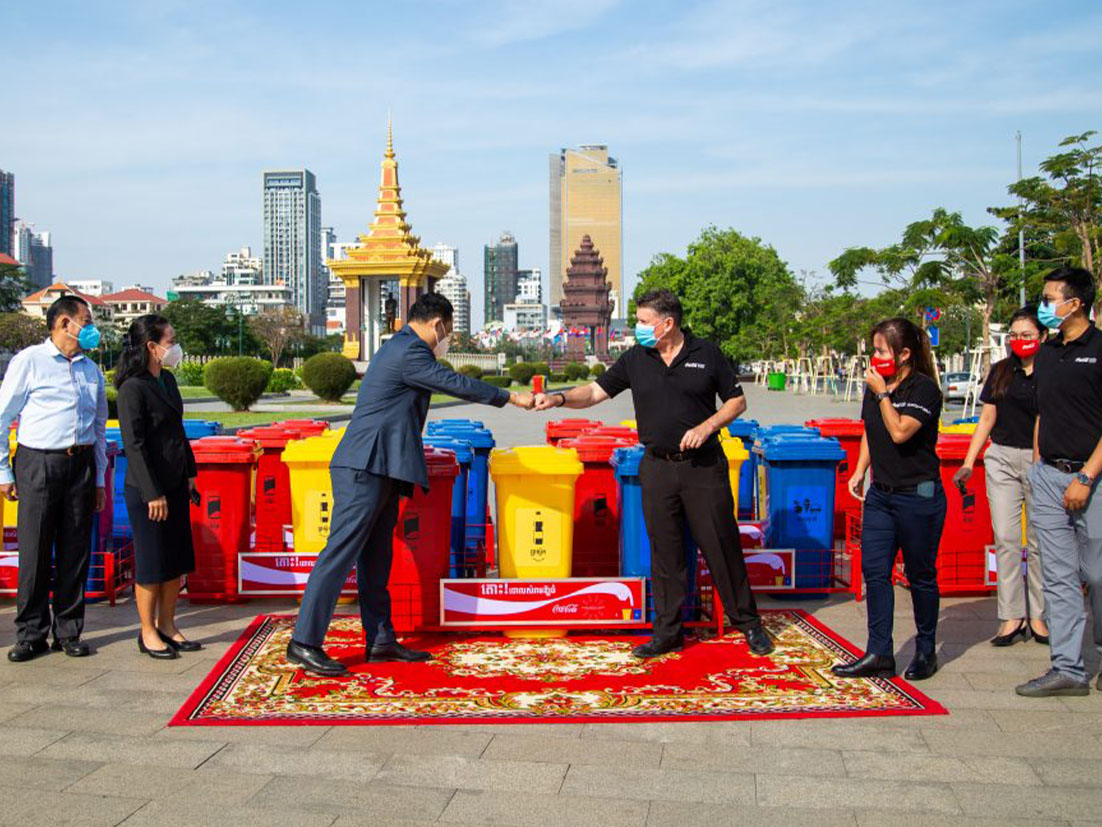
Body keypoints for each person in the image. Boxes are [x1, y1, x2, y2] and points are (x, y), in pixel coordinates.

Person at [287, 293, 535, 676]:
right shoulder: (410, 352)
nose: (447, 338)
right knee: (340, 553)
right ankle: (303, 642)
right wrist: (510, 396)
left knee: (376, 558)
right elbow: (453, 383)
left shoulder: (403, 348)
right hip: (363, 467)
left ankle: (380, 639)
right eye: (449, 331)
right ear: (438, 324)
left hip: (383, 467)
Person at [533, 289, 774, 659]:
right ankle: (668, 631)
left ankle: (749, 624)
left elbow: (737, 401)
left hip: (703, 468)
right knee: (666, 553)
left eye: (644, 322)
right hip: (657, 467)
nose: (638, 328)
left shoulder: (705, 354)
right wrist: (561, 398)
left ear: (668, 323)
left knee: (721, 546)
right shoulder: (636, 358)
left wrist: (707, 426)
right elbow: (596, 392)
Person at [833, 317, 946, 681]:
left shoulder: (923, 389)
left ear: (905, 353)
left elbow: (898, 431)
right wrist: (860, 470)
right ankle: (879, 651)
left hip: (919, 496)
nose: (875, 356)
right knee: (875, 572)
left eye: (881, 350)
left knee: (920, 575)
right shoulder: (876, 386)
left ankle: (926, 649)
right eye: (874, 350)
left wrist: (882, 393)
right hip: (881, 495)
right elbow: (872, 429)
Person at [0, 296, 107, 662]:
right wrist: (3, 471)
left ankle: (68, 630)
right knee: (35, 550)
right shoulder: (30, 362)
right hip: (39, 463)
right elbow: (2, 416)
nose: (91, 327)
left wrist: (99, 481)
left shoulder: (91, 370)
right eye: (86, 320)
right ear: (64, 323)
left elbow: (98, 426)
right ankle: (31, 633)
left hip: (80, 464)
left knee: (75, 550)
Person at [1017, 266, 1102, 698]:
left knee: (1098, 573)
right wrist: (1037, 467)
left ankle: (1100, 653)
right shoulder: (1048, 353)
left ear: (1076, 303)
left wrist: (1086, 476)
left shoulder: (1100, 349)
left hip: (1093, 477)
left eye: (1051, 298)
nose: (1044, 305)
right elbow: (1043, 413)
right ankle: (1067, 668)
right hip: (1049, 475)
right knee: (1058, 576)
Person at [953, 308, 1048, 647]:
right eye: (1014, 334)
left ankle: (1039, 615)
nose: (1019, 340)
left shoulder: (1051, 371)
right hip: (1002, 459)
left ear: (1043, 337)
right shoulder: (1001, 371)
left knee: (1039, 541)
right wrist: (968, 461)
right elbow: (987, 418)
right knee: (1007, 538)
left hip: (1041, 461)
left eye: (1026, 334)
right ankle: (1011, 616)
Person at [115, 315, 200, 660]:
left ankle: (168, 624)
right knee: (152, 562)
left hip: (176, 481)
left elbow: (177, 431)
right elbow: (133, 445)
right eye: (170, 340)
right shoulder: (133, 388)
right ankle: (147, 632)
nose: (175, 347)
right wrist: (152, 493)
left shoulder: (166, 380)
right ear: (152, 346)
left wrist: (190, 472)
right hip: (148, 490)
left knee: (175, 560)